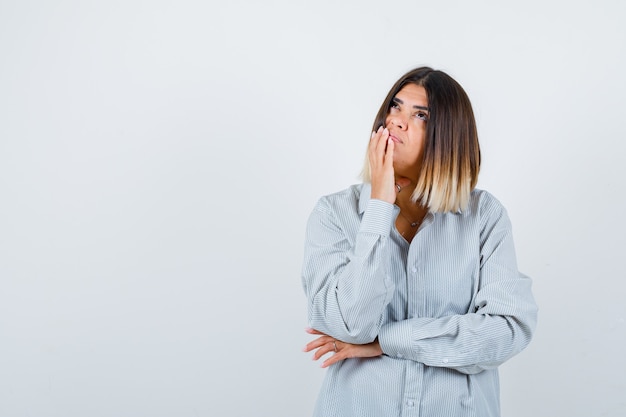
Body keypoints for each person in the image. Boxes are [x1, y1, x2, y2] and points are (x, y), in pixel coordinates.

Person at [301, 66, 538, 417]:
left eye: (420, 115)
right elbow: (350, 325)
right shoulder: (334, 213)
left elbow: (506, 331)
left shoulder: (484, 217)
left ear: (448, 137)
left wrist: (386, 342)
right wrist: (380, 208)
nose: (396, 121)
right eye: (394, 107)